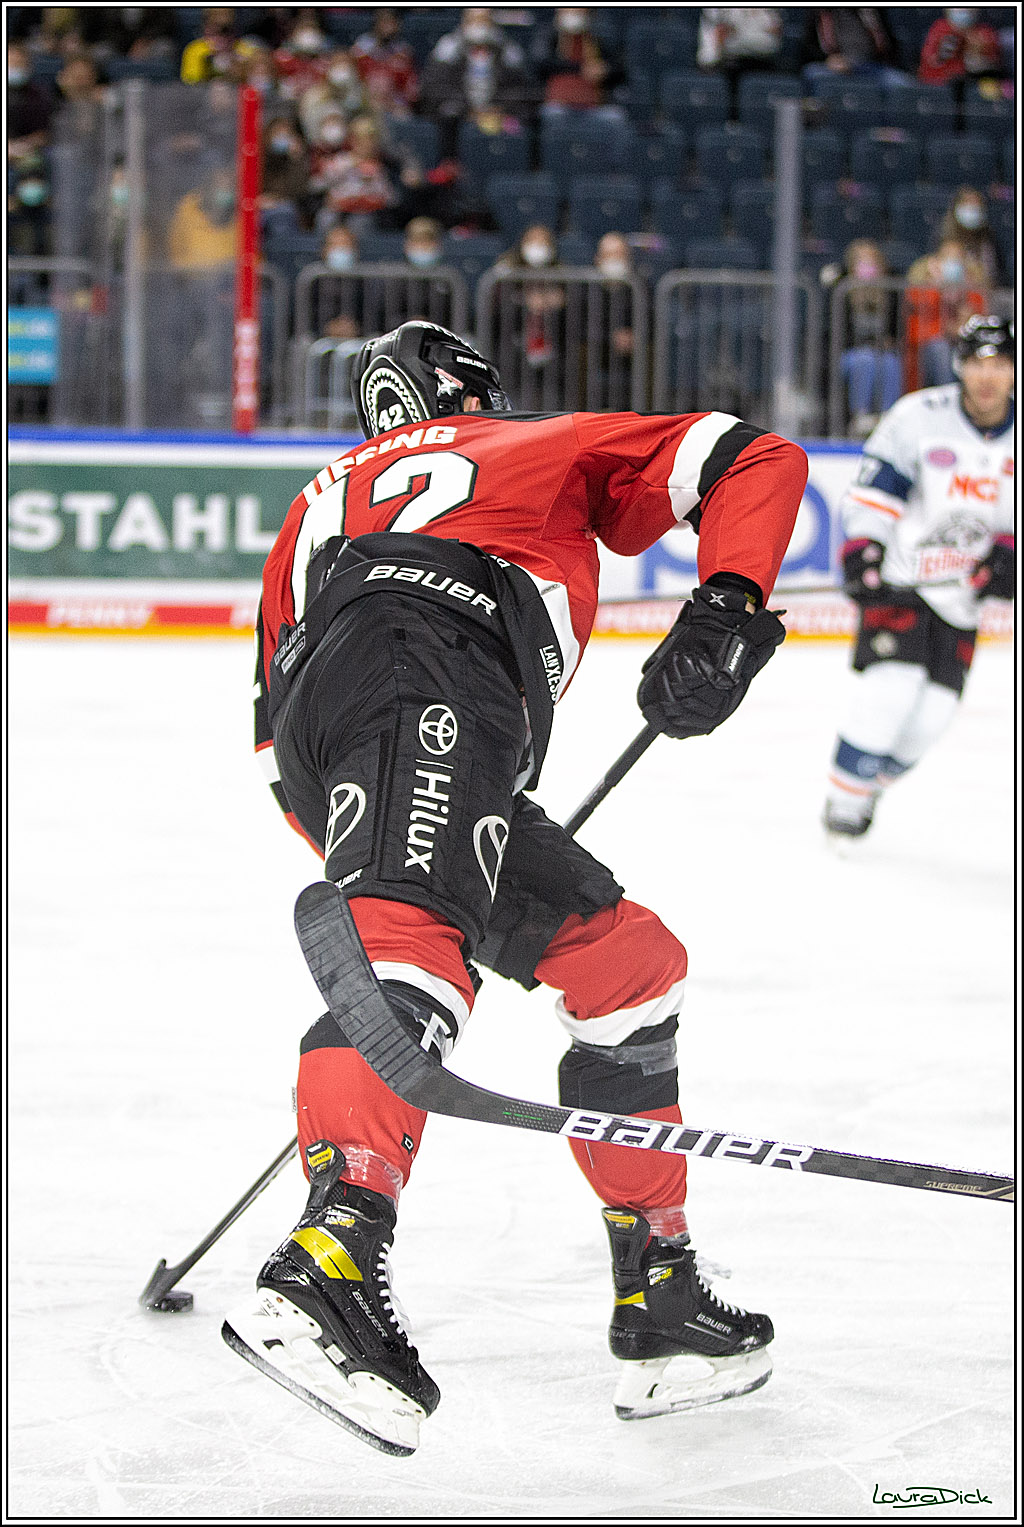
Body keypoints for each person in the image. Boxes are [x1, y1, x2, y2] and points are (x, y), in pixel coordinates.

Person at [223, 319, 807, 1453]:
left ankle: (661, 1293)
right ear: (467, 392)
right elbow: (753, 457)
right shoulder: (528, 440)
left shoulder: (316, 502)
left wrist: (398, 854)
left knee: (627, 966)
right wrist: (728, 604)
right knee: (410, 953)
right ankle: (327, 1264)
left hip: (340, 731)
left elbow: (275, 732)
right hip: (434, 671)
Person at [822, 314, 1014, 842]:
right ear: (959, 367)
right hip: (903, 581)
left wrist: (1007, 558)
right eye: (976, 362)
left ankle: (867, 784)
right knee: (889, 691)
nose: (987, 376)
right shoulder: (919, 417)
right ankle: (842, 809)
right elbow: (875, 493)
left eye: (999, 363)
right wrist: (865, 547)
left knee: (930, 719)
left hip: (962, 602)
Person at [418, 7, 532, 157]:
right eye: (474, 19)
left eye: (484, 19)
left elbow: (520, 88)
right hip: (462, 110)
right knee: (447, 113)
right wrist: (469, 110)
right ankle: (450, 163)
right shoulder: (448, 48)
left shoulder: (508, 49)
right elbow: (436, 86)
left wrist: (499, 108)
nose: (479, 25)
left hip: (498, 110)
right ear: (464, 22)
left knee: (526, 117)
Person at [834, 238, 903, 437]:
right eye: (862, 261)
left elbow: (895, 329)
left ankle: (888, 416)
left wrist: (888, 341)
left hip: (881, 351)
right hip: (851, 352)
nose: (867, 266)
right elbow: (837, 333)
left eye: (871, 261)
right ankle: (861, 416)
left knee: (891, 362)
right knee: (864, 361)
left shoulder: (890, 293)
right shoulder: (842, 292)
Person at [906, 236, 988, 387]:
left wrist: (962, 327)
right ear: (935, 262)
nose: (952, 262)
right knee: (940, 348)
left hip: (961, 346)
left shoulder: (973, 290)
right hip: (927, 352)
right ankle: (946, 398)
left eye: (957, 258)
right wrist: (937, 287)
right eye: (947, 257)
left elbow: (980, 324)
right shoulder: (922, 288)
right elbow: (918, 328)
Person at [351, 8, 419, 118]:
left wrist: (395, 103)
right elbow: (353, 84)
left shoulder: (404, 53)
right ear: (376, 23)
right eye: (384, 22)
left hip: (394, 106)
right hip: (364, 105)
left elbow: (411, 90)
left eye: (391, 22)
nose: (388, 27)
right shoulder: (359, 52)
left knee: (404, 117)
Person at [918, 8, 1004, 87]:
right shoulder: (939, 30)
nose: (963, 9)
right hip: (938, 88)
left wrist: (978, 59)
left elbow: (994, 67)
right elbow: (930, 63)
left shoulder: (985, 33)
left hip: (974, 90)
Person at [938, 186, 1004, 288]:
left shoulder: (989, 240)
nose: (972, 209)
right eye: (967, 204)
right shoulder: (943, 237)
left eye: (976, 206)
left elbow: (994, 276)